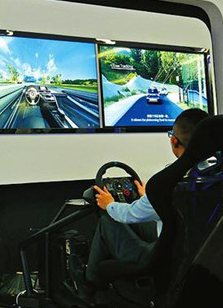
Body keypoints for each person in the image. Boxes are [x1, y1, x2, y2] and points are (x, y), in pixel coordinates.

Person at [85, 108, 209, 285]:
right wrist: (148, 197)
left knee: (107, 221)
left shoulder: (167, 183)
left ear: (174, 140)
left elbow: (129, 214)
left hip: (165, 258)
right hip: (200, 256)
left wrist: (109, 204)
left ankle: (89, 285)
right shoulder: (218, 177)